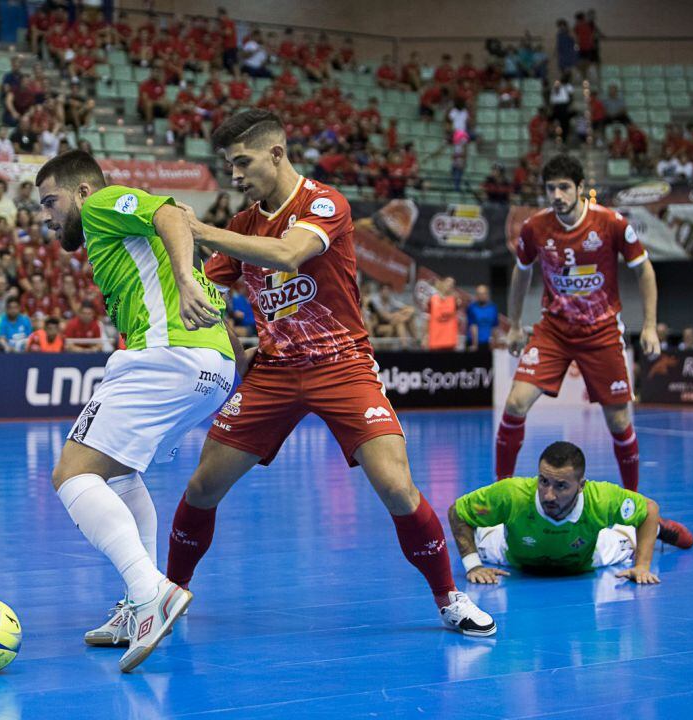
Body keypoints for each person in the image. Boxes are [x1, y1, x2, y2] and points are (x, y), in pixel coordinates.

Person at [162, 110, 495, 641]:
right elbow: (209, 287)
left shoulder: (324, 203)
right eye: (229, 165)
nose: (235, 175)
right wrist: (215, 325)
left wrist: (199, 228)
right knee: (202, 487)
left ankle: (449, 598)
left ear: (276, 152)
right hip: (272, 373)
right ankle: (168, 595)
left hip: (343, 366)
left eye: (242, 162)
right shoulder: (242, 225)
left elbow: (289, 254)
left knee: (396, 487)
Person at [37, 150, 236, 673]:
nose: (46, 216)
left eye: (51, 201)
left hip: (165, 355)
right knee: (120, 473)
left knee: (70, 474)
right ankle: (137, 604)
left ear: (81, 193)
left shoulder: (102, 203)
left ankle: (153, 592)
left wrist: (188, 279)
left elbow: (172, 213)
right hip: (208, 366)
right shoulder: (120, 244)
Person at [497, 155, 659, 491]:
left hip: (600, 331)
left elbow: (644, 269)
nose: (556, 195)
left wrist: (650, 325)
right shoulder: (535, 228)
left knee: (618, 420)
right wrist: (515, 323)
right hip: (553, 331)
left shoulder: (611, 223)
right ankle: (501, 492)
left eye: (564, 188)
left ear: (581, 189)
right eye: (550, 188)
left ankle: (632, 502)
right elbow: (521, 273)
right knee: (514, 403)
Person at [448, 441, 692, 584]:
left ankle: (659, 529)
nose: (549, 495)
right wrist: (473, 566)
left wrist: (642, 566)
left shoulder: (601, 498)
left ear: (581, 485)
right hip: (513, 554)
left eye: (561, 486)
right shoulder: (512, 493)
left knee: (629, 538)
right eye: (543, 481)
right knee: (482, 531)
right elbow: (458, 512)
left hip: (586, 558)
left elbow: (649, 509)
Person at [426, 277, 460, 351]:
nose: (449, 285)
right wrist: (425, 336)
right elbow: (427, 319)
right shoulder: (432, 299)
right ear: (443, 284)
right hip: (435, 341)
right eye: (447, 283)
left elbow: (458, 318)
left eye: (452, 284)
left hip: (450, 341)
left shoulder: (455, 300)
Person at [466, 284, 499, 351]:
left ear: (487, 295)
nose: (481, 296)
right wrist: (475, 345)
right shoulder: (471, 307)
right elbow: (473, 326)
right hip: (473, 342)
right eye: (479, 294)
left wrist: (495, 342)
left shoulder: (493, 307)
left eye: (483, 293)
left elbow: (495, 326)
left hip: (487, 343)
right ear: (476, 295)